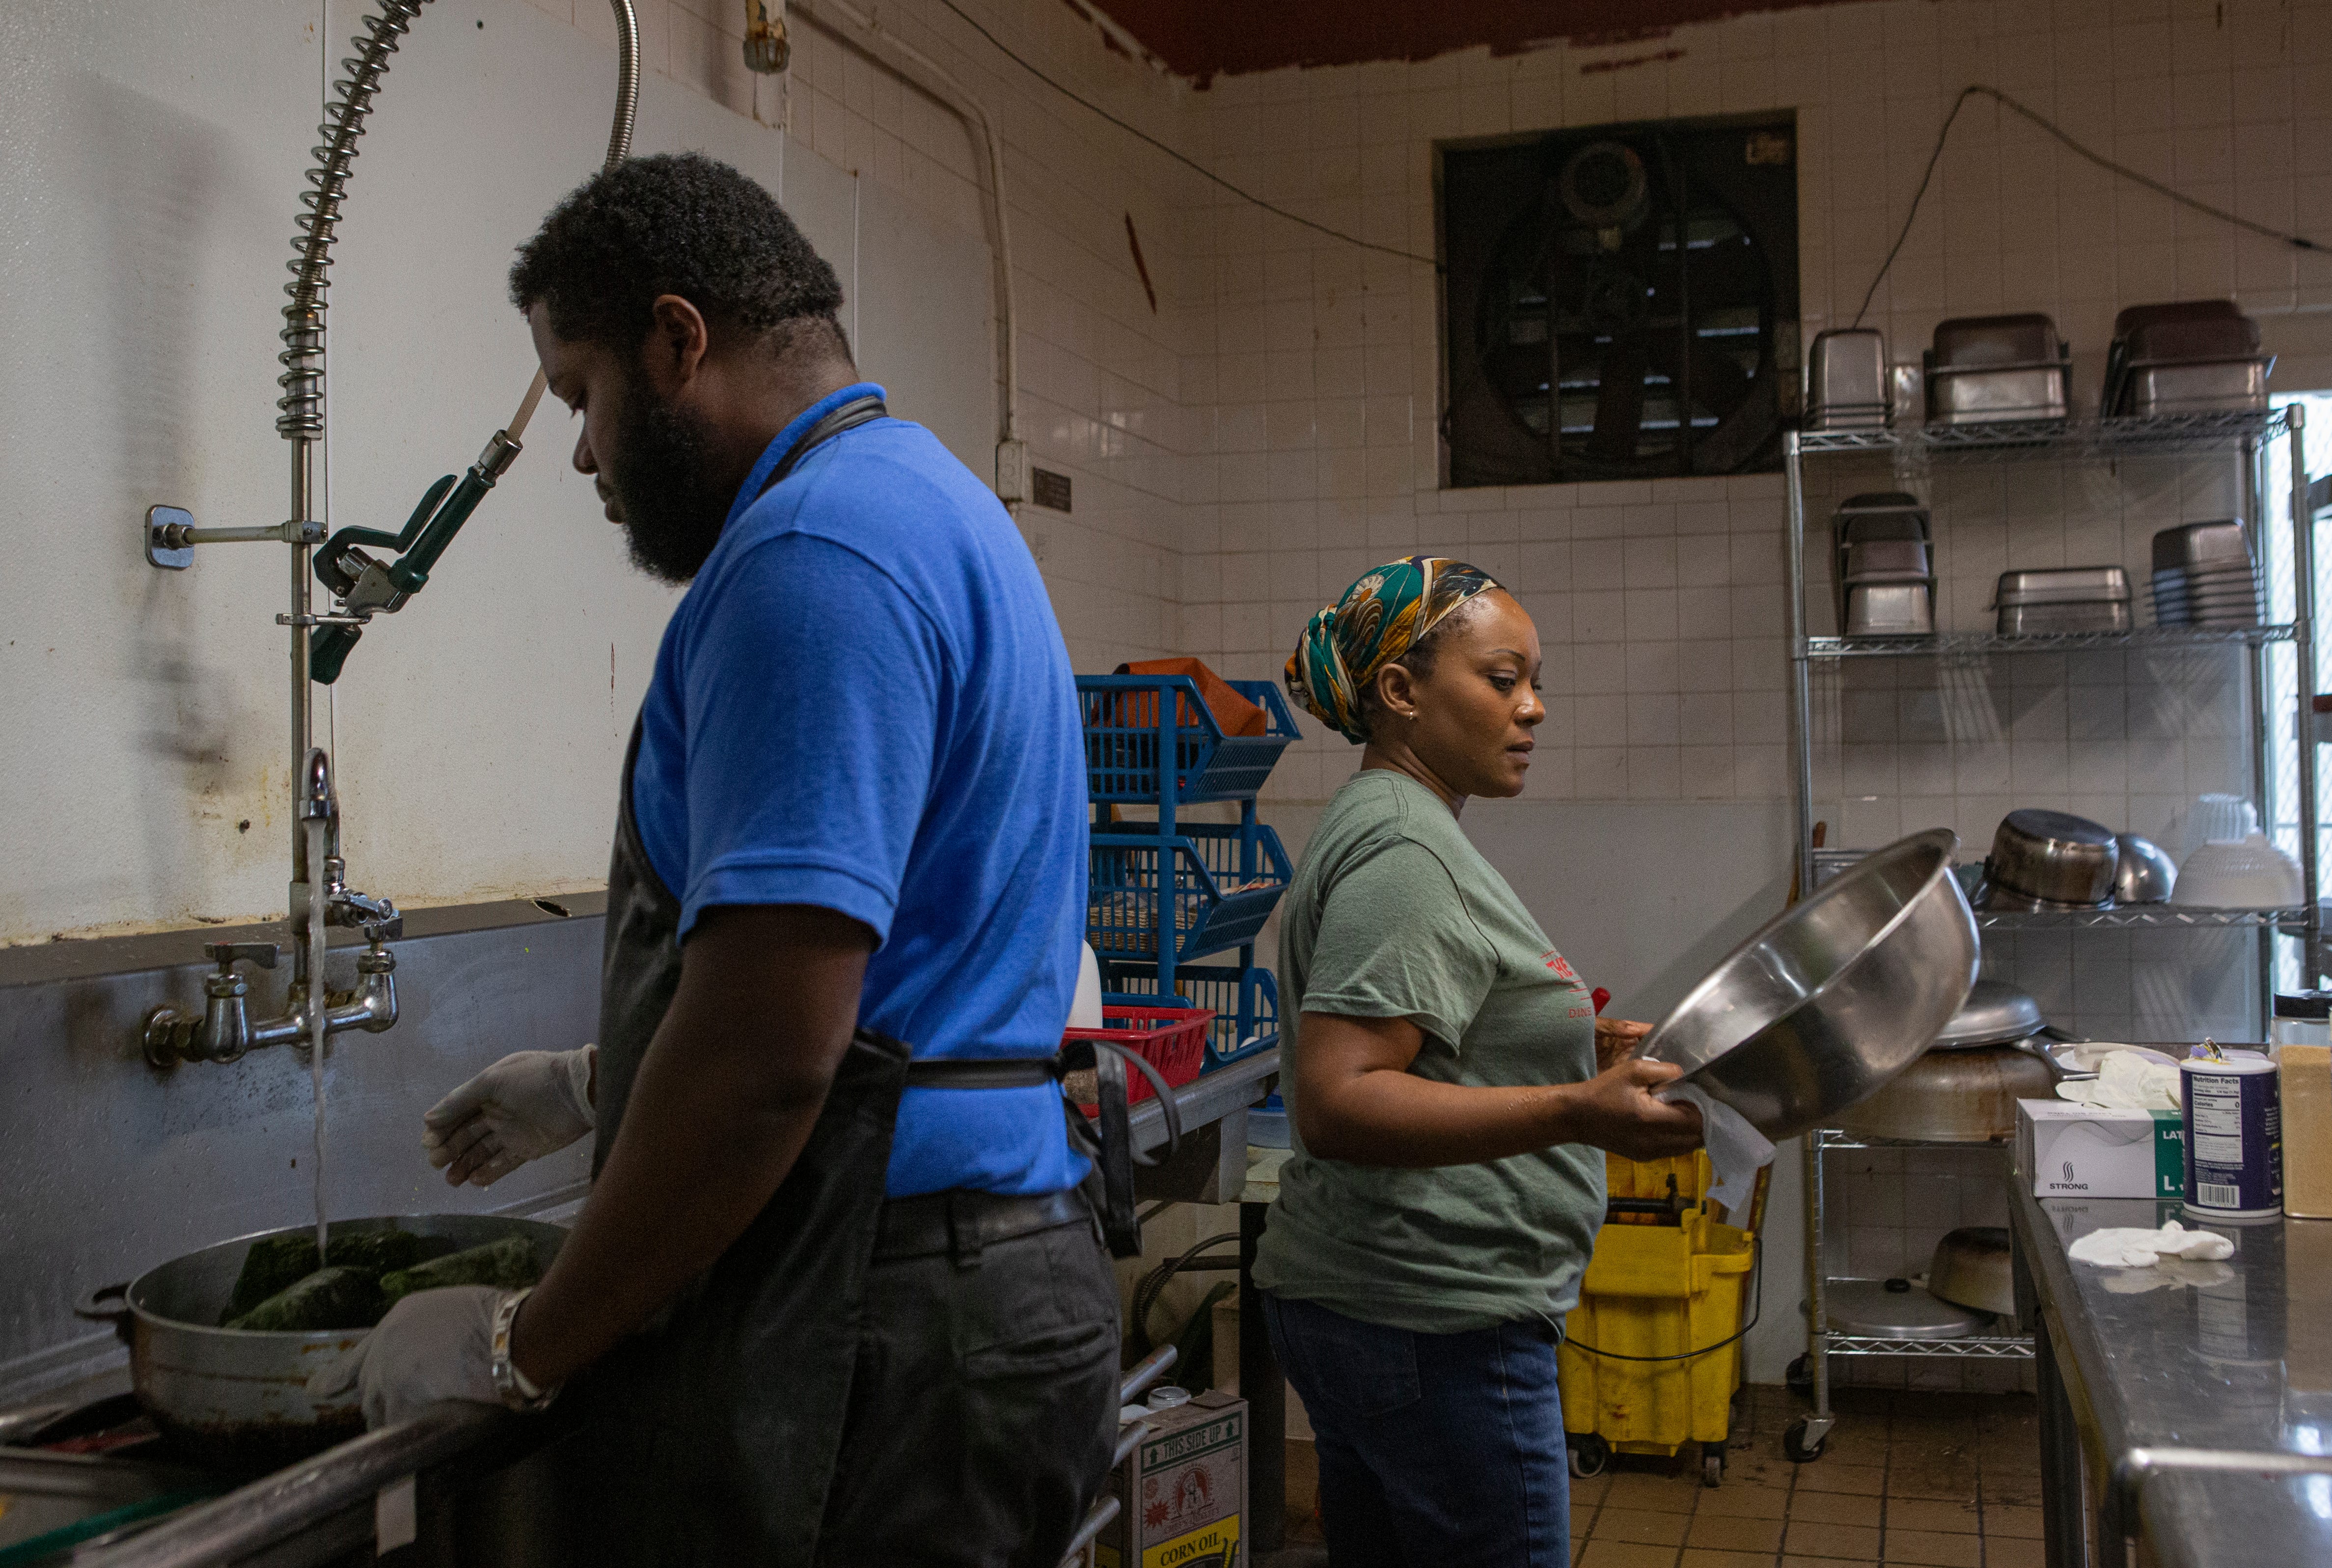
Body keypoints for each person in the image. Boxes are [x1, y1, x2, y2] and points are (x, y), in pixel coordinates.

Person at [312, 153, 1118, 1566]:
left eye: (580, 395)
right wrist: (597, 1081)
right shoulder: (927, 507)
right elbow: (880, 984)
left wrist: (524, 1346)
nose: (579, 453)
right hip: (966, 1277)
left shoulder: (811, 556)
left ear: (678, 343)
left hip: (880, 1304)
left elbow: (769, 1058)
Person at [1256, 557, 1706, 1567]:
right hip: (1432, 1320)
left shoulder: (1391, 822)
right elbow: (1340, 1098)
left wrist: (1551, 1045)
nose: (1533, 707)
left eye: (1533, 680)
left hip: (1384, 1309)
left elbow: (1420, 1037)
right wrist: (1572, 1110)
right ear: (1401, 693)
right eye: (1501, 679)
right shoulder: (1405, 852)